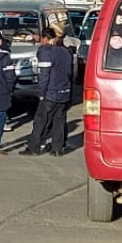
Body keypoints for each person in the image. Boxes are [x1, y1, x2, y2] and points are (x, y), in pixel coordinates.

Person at [21, 27, 73, 156]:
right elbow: (69, 73)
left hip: (51, 92)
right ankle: (57, 148)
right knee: (59, 121)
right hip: (64, 91)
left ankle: (34, 147)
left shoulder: (46, 52)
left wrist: (41, 93)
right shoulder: (66, 52)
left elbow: (44, 75)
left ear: (45, 39)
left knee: (41, 120)